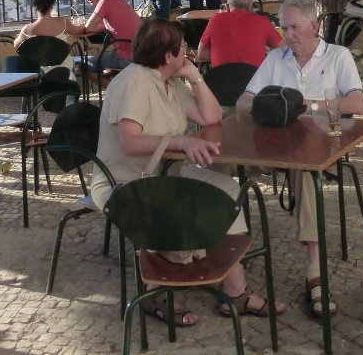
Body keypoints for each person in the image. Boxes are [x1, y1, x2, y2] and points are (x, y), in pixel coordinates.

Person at [91, 19, 284, 325]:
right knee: (184, 203)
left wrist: (195, 76)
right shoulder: (134, 81)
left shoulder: (170, 82)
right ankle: (157, 291)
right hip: (127, 183)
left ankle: (234, 289)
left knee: (227, 189)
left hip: (167, 173)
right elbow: (129, 143)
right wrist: (180, 140)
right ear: (168, 56)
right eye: (183, 48)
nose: (189, 51)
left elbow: (211, 118)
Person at [237, 0, 363, 318]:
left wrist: (309, 105)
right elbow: (243, 102)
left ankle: (315, 271)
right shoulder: (276, 59)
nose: (289, 34)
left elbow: (357, 103)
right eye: (284, 27)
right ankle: (225, 248)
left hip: (320, 145)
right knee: (223, 163)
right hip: (275, 146)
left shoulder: (337, 56)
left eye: (295, 27)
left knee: (306, 173)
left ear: (314, 26)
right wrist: (272, 106)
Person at [196, 0, 283, 68]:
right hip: (255, 80)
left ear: (227, 7)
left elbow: (201, 54)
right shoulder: (263, 21)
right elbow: (283, 49)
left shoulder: (216, 19)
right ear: (252, 7)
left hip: (221, 80)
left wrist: (224, 55)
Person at [74, 0, 141, 69]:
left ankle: (110, 84)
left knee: (85, 65)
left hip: (126, 56)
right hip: (142, 54)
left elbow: (88, 28)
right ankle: (114, 82)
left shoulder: (103, 2)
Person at [11, 0, 81, 72]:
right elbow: (77, 30)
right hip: (64, 69)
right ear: (52, 5)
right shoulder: (64, 22)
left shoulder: (27, 29)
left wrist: (21, 36)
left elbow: (16, 44)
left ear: (35, 6)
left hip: (40, 71)